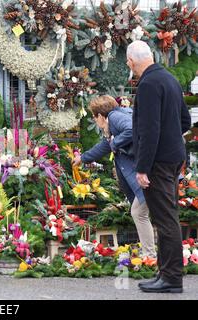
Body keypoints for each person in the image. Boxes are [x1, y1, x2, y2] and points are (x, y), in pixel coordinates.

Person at [127, 40, 191, 293]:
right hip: (172, 158)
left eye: (128, 63)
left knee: (165, 219)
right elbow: (184, 120)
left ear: (132, 62)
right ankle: (165, 273)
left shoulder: (148, 84)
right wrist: (172, 139)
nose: (129, 66)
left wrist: (142, 168)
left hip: (158, 163)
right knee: (166, 216)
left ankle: (172, 278)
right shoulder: (169, 79)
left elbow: (149, 129)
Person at [73, 95, 156, 261]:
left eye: (94, 117)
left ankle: (150, 256)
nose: (95, 121)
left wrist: (115, 143)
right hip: (149, 173)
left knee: (139, 213)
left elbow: (131, 131)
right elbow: (105, 146)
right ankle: (154, 253)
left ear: (100, 116)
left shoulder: (115, 117)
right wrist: (83, 158)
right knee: (144, 213)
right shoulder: (115, 121)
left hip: (148, 174)